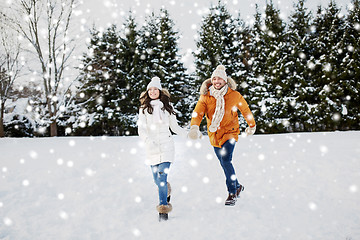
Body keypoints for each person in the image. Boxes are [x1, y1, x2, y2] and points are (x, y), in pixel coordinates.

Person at [188, 65, 256, 206]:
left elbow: (245, 110)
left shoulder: (234, 95)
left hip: (230, 132)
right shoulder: (206, 96)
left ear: (225, 80)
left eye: (219, 78)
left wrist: (251, 125)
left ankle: (232, 193)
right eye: (214, 78)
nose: (216, 81)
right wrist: (194, 126)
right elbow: (198, 112)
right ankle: (237, 186)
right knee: (224, 163)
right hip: (214, 134)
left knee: (226, 161)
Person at [137, 76, 187, 221]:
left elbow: (175, 127)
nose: (153, 92)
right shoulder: (144, 109)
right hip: (151, 148)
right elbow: (141, 128)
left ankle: (163, 208)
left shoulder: (168, 108)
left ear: (160, 91)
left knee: (162, 176)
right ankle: (166, 190)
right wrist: (147, 140)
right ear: (147, 92)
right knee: (157, 180)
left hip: (166, 145)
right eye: (150, 90)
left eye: (155, 89)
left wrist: (188, 134)